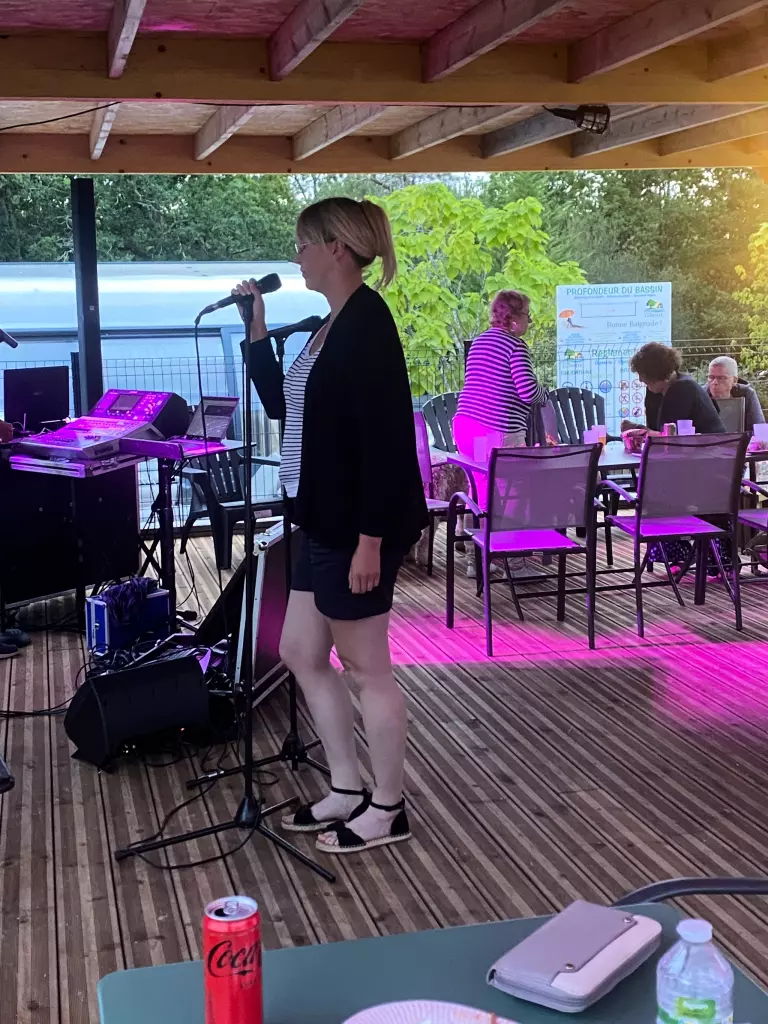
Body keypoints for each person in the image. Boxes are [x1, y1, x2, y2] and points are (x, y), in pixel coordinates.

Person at [236, 197, 428, 856]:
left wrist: (370, 541)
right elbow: (281, 406)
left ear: (336, 249)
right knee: (300, 650)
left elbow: (384, 441)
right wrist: (256, 329)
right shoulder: (328, 327)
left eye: (303, 244)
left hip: (355, 526)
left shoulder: (367, 324)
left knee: (367, 669)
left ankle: (388, 807)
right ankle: (346, 786)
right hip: (320, 517)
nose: (297, 257)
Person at [454, 289, 548, 577]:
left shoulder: (480, 342)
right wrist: (544, 393)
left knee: (480, 492)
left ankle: (477, 561)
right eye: (527, 315)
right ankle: (514, 564)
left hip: (466, 425)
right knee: (513, 495)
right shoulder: (515, 346)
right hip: (499, 428)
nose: (530, 321)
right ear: (513, 317)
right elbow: (527, 390)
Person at [624, 343, 725, 436]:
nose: (640, 379)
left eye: (643, 374)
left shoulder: (683, 388)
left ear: (654, 372)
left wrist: (638, 430)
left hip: (712, 446)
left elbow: (668, 437)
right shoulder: (657, 390)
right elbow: (657, 432)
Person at [706, 356, 765, 432]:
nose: (715, 382)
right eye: (711, 377)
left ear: (734, 380)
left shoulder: (746, 394)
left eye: (721, 378)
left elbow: (759, 429)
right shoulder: (701, 394)